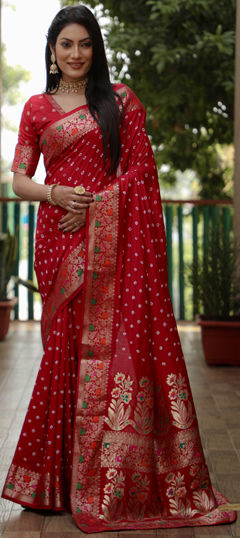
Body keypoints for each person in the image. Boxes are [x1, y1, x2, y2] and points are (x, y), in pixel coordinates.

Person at [1, 4, 236, 533]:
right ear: (53, 51)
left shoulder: (121, 101)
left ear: (95, 49)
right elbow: (19, 179)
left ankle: (103, 480)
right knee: (64, 352)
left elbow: (141, 172)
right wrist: (56, 193)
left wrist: (97, 208)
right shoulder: (37, 108)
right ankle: (56, 482)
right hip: (58, 242)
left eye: (85, 44)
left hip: (112, 241)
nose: (76, 53)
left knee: (112, 355)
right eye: (67, 45)